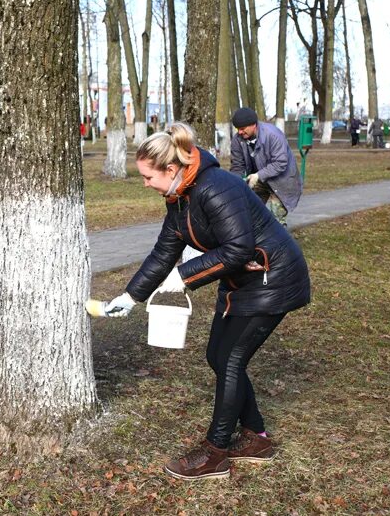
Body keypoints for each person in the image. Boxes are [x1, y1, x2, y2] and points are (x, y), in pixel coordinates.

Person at [92, 123, 310, 481]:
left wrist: (183, 276)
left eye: (148, 176)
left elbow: (238, 248)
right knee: (218, 357)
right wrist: (130, 297)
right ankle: (257, 437)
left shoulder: (215, 187)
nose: (145, 183)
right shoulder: (179, 199)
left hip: (273, 278)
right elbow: (164, 252)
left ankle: (216, 452)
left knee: (231, 360)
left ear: (171, 169)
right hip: (242, 282)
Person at [230, 107, 303, 227]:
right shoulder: (237, 140)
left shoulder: (273, 135)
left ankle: (280, 245)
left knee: (276, 221)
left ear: (253, 125)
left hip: (282, 181)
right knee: (248, 212)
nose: (240, 132)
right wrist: (235, 185)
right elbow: (237, 166)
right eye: (238, 129)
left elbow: (280, 163)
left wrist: (258, 175)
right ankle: (255, 243)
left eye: (242, 129)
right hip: (258, 180)